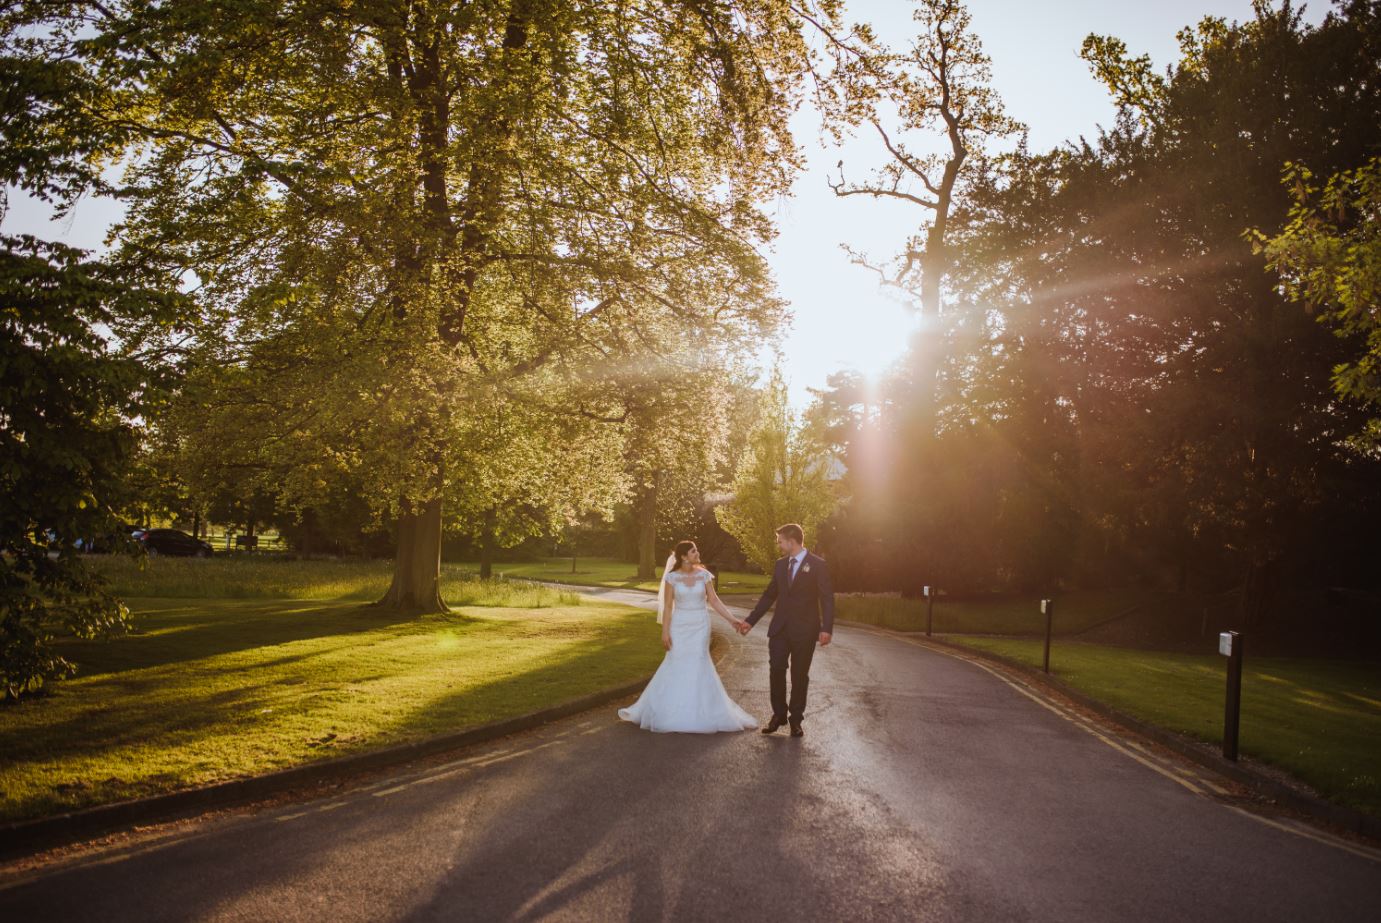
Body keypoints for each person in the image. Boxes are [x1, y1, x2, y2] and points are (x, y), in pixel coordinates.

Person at [617, 540, 757, 733]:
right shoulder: (672, 578)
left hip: (700, 625)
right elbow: (667, 606)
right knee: (676, 662)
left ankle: (701, 711)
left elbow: (714, 601)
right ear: (683, 556)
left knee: (699, 662)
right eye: (693, 551)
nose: (697, 553)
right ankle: (670, 710)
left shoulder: (704, 575)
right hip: (679, 625)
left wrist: (732, 620)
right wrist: (665, 631)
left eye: (697, 550)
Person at [736, 523, 834, 738]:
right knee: (776, 670)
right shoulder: (781, 565)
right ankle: (778, 714)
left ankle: (795, 720)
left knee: (799, 675)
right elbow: (770, 595)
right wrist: (750, 621)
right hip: (780, 629)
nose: (778, 545)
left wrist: (826, 628)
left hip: (805, 630)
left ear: (792, 541)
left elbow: (826, 598)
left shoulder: (818, 565)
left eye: (780, 541)